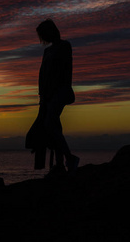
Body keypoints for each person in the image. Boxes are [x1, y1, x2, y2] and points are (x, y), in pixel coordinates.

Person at [28, 19, 79, 178]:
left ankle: (70, 159)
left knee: (50, 124)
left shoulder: (64, 46)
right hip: (47, 95)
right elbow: (42, 75)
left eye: (43, 34)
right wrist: (42, 96)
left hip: (60, 91)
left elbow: (62, 71)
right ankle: (59, 164)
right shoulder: (47, 51)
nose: (42, 38)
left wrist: (52, 90)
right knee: (54, 125)